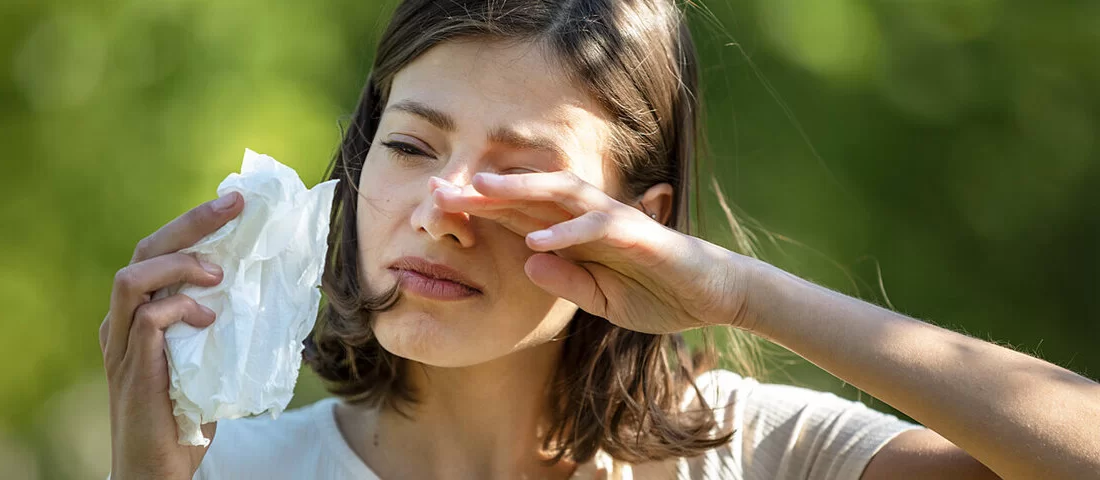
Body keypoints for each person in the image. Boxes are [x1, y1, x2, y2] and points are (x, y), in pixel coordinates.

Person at [98, 0, 1100, 478]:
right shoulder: (227, 472)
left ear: (643, 225)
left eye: (520, 171)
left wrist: (746, 295)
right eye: (411, 145)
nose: (446, 206)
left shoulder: (758, 456)